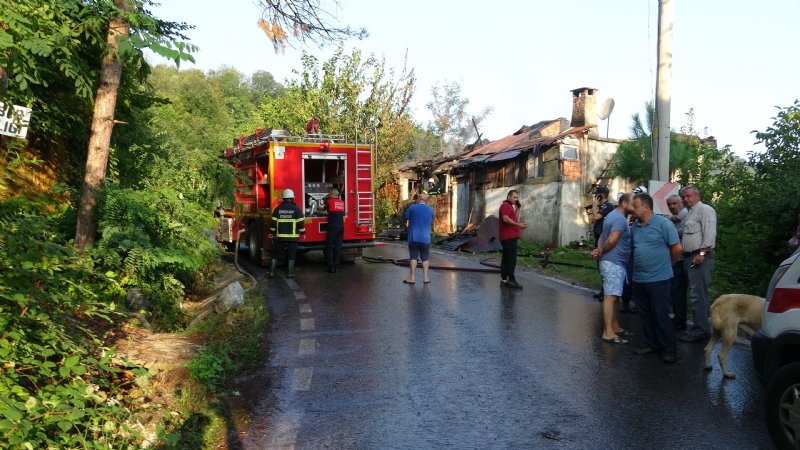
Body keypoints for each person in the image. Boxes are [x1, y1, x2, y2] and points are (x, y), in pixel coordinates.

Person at [630, 193, 683, 363]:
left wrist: (668, 266)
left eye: (636, 205)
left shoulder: (664, 224)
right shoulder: (635, 228)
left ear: (646, 207)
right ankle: (650, 344)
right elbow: (634, 249)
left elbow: (676, 248)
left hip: (660, 280)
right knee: (644, 314)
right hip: (639, 279)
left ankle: (669, 349)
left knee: (660, 314)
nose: (633, 209)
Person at [591, 193, 633, 344]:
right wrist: (601, 251)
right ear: (624, 203)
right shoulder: (620, 219)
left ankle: (615, 326)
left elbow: (602, 236)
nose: (634, 207)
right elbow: (612, 240)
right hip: (613, 262)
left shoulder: (612, 215)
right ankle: (608, 332)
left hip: (614, 262)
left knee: (615, 295)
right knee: (611, 296)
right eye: (632, 204)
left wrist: (598, 249)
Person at [678, 185, 717, 343]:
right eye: (684, 197)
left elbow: (710, 233)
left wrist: (701, 253)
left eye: (689, 196)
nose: (686, 199)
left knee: (698, 295)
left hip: (699, 257)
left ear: (697, 195)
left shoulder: (705, 209)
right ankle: (698, 327)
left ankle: (701, 330)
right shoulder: (689, 213)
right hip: (688, 258)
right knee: (694, 294)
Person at [269, 189, 306, 279]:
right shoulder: (297, 209)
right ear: (292, 198)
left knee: (275, 254)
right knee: (291, 255)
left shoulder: (277, 209)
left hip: (280, 237)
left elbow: (273, 223)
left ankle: (271, 273)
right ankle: (290, 274)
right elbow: (300, 223)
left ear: (283, 198)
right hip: (292, 238)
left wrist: (272, 233)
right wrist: (303, 233)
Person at [667, 194, 689, 331]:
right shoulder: (673, 218)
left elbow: (684, 233)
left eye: (675, 203)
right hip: (677, 258)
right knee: (676, 290)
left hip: (682, 259)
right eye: (670, 204)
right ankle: (678, 317)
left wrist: (671, 229)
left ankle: (680, 320)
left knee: (679, 291)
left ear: (681, 203)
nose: (672, 206)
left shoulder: (686, 215)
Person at [404, 192, 434, 284]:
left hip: (414, 237)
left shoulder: (412, 207)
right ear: (425, 200)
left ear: (418, 199)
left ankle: (412, 278)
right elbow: (432, 222)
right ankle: (425, 278)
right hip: (425, 238)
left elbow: (406, 217)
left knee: (413, 257)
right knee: (425, 258)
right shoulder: (430, 209)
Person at [499, 190, 527, 289]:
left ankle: (504, 279)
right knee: (511, 259)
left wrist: (518, 209)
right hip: (509, 236)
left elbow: (513, 218)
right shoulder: (505, 205)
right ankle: (512, 280)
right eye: (514, 197)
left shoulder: (510, 207)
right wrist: (518, 225)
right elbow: (505, 219)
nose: (516, 199)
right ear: (509, 196)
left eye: (517, 198)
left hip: (508, 236)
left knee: (506, 258)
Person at [592, 186, 615, 299]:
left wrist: (594, 205)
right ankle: (603, 290)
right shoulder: (602, 206)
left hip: (604, 240)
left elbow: (596, 217)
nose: (595, 197)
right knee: (600, 266)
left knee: (604, 265)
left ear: (600, 195)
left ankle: (606, 292)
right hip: (599, 238)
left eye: (596, 195)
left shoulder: (608, 206)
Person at [325, 188, 345, 273]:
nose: (329, 195)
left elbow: (323, 210)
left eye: (329, 194)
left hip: (332, 227)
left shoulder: (329, 201)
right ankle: (337, 266)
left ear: (333, 194)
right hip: (341, 227)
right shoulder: (342, 202)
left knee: (329, 247)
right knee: (338, 247)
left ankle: (331, 267)